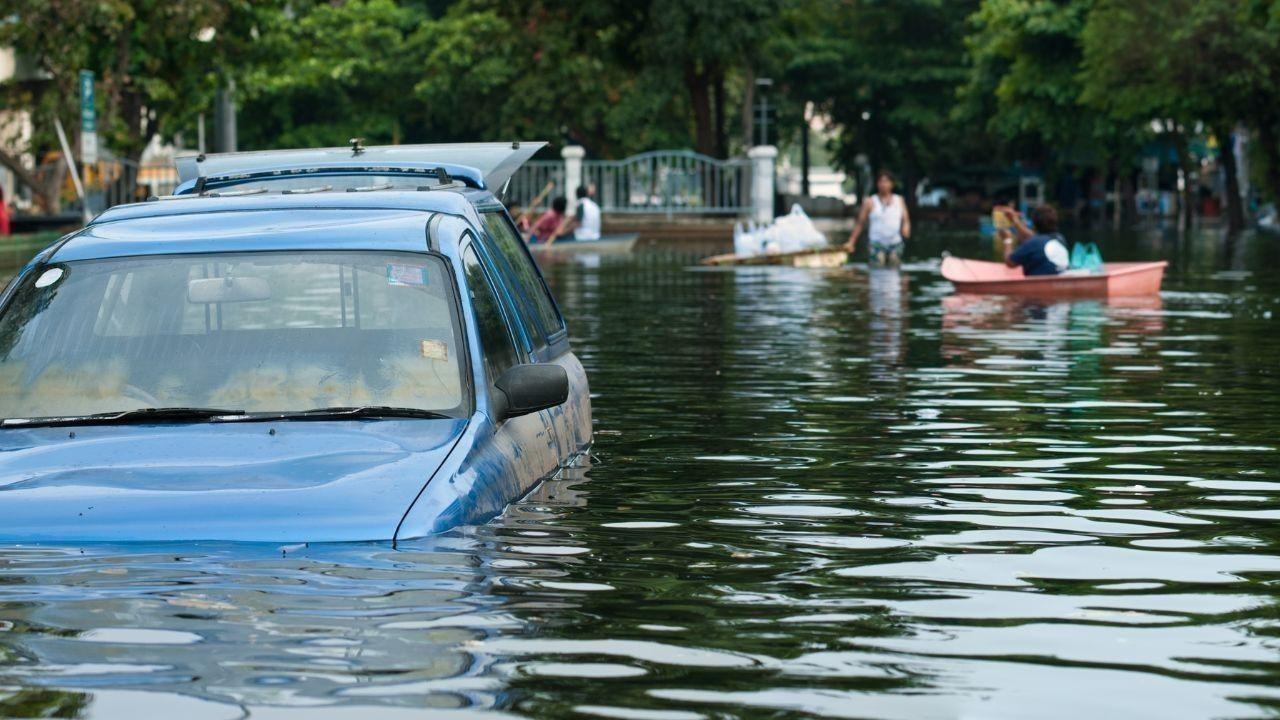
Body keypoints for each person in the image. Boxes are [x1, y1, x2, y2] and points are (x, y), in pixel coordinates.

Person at [844, 170, 910, 265]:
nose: (883, 185)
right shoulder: (870, 202)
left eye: (886, 181)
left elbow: (905, 219)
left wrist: (906, 228)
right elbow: (860, 223)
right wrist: (851, 242)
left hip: (895, 242)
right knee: (878, 266)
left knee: (894, 266)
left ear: (892, 184)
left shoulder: (899, 200)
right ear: (877, 184)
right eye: (881, 182)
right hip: (876, 244)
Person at [997, 203, 1069, 276]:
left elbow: (1010, 262)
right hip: (1060, 281)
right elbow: (1035, 238)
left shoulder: (1033, 243)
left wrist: (1007, 240)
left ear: (1034, 224)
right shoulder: (1060, 238)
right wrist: (1015, 221)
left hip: (1040, 284)